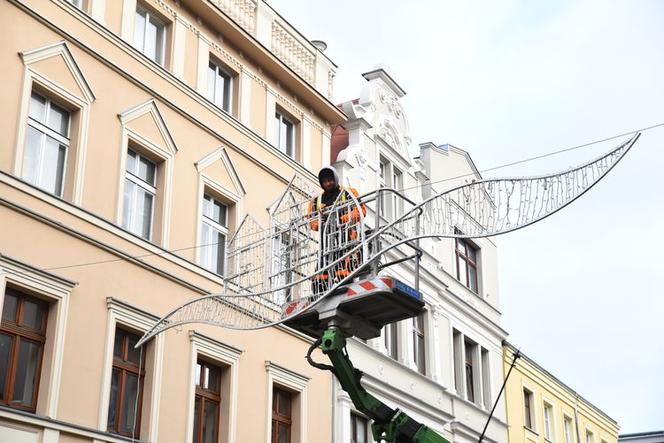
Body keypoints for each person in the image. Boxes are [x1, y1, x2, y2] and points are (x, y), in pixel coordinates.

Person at [307, 167, 366, 294]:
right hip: (326, 240)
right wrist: (320, 222)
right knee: (323, 266)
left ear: (335, 179)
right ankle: (320, 289)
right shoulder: (316, 201)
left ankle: (343, 284)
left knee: (344, 265)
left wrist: (342, 218)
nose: (328, 184)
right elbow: (311, 221)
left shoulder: (348, 193)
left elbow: (361, 210)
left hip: (346, 238)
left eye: (330, 180)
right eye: (325, 181)